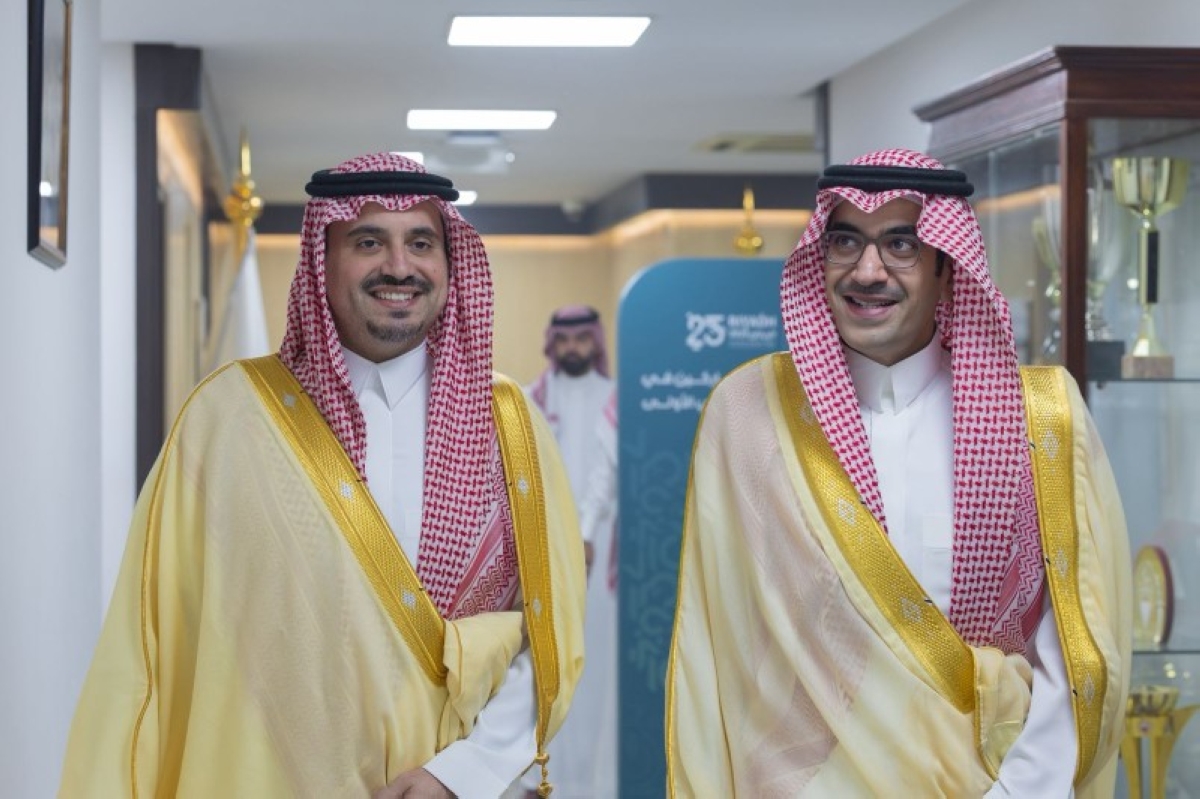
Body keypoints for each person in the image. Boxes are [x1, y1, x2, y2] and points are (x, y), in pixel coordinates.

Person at [60, 152, 586, 798]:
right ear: (321, 259)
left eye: (421, 243)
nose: (399, 266)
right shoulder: (230, 416)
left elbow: (549, 629)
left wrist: (462, 773)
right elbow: (159, 640)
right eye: (369, 241)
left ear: (451, 264)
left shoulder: (511, 424)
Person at [666, 148, 1131, 798]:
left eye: (901, 245)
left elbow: (1077, 641)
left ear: (948, 268)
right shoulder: (750, 411)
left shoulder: (1040, 417)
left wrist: (1018, 791)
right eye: (845, 241)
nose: (868, 270)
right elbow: (718, 646)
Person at [525, 307, 618, 798]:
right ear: (552, 342)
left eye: (583, 338)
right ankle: (543, 775)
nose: (573, 348)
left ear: (595, 342)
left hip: (602, 562)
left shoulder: (618, 399)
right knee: (547, 664)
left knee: (598, 667)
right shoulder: (530, 400)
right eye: (565, 339)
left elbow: (610, 478)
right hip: (544, 556)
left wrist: (585, 530)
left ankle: (596, 784)